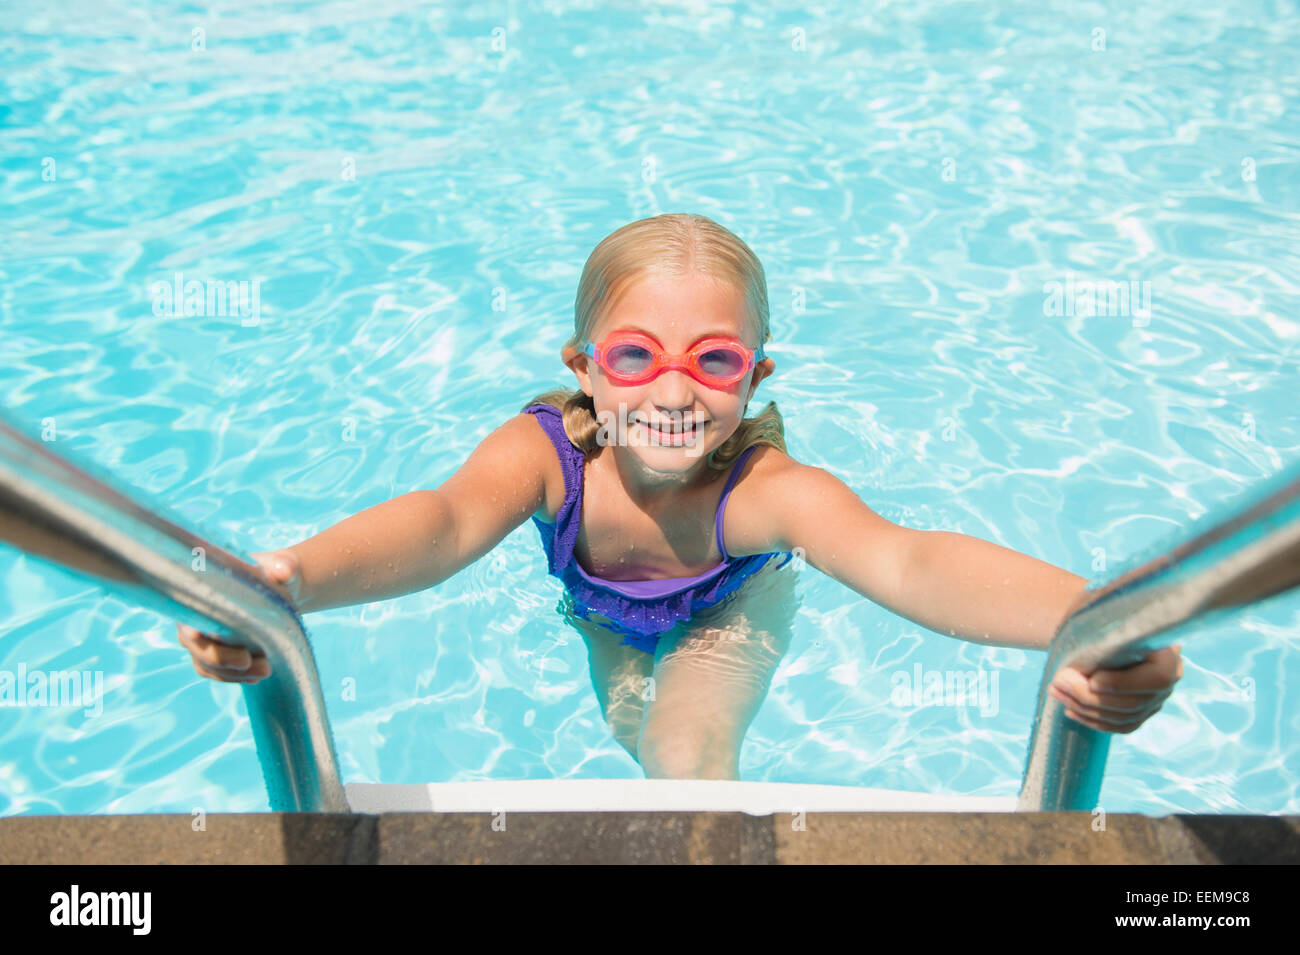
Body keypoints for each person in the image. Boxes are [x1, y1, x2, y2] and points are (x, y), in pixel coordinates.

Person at [178, 213, 1183, 780]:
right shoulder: (544, 458)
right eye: (633, 356)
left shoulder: (755, 492)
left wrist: (1095, 618)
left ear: (755, 378)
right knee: (630, 728)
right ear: (585, 367)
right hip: (600, 609)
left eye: (712, 360)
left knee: (682, 743)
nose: (670, 391)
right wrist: (290, 578)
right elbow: (441, 525)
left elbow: (905, 558)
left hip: (725, 608)